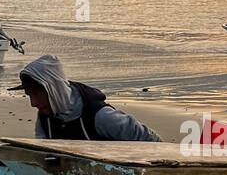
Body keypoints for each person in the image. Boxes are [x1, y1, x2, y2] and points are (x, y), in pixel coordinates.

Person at [13, 54, 159, 141]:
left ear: (54, 90)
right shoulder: (45, 119)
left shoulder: (102, 117)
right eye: (29, 96)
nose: (33, 103)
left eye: (37, 94)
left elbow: (151, 140)